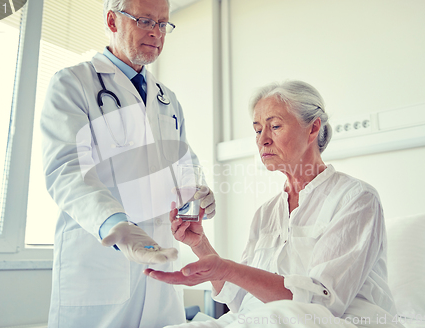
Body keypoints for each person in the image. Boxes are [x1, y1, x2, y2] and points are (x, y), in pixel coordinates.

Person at [145, 80, 403, 328]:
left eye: (275, 126)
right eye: (257, 130)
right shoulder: (266, 213)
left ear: (313, 129)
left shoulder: (355, 199)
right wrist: (200, 245)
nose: (262, 140)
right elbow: (240, 300)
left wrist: (226, 268)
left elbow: (321, 304)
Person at [40, 0, 216, 327]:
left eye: (163, 24)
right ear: (112, 20)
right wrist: (116, 227)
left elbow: (183, 160)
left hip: (162, 267)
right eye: (145, 21)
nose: (156, 33)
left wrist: (196, 193)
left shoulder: (168, 98)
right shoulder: (73, 84)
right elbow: (67, 170)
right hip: (100, 267)